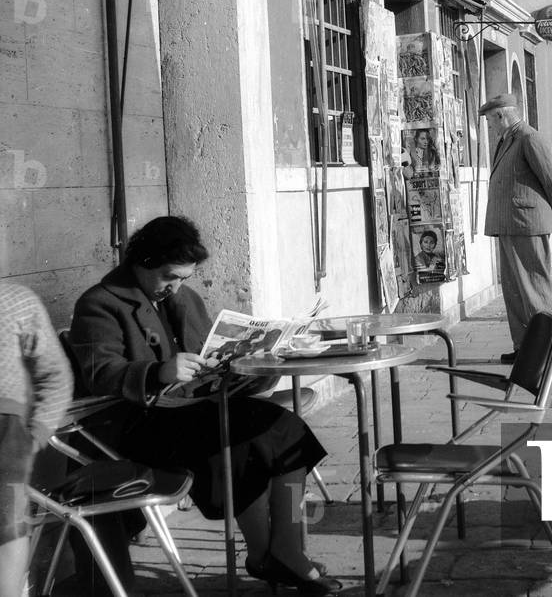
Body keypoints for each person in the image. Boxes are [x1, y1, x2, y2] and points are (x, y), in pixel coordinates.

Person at [69, 216, 339, 594]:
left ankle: (286, 546)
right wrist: (157, 372)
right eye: (168, 276)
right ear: (142, 262)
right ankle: (267, 554)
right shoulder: (99, 304)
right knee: (236, 439)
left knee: (285, 431)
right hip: (134, 425)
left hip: (192, 409)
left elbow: (209, 353)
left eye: (183, 278)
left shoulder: (181, 297)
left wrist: (255, 364)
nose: (174, 286)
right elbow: (102, 372)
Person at [480, 93, 552, 364]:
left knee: (535, 286)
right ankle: (524, 348)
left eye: (490, 121)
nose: (490, 126)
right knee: (515, 290)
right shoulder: (507, 140)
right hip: (508, 224)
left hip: (526, 224)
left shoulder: (529, 138)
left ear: (501, 116)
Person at [1, 283, 73, 597]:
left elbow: (55, 373)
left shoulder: (15, 300)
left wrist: (37, 433)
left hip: (4, 433)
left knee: (6, 531)